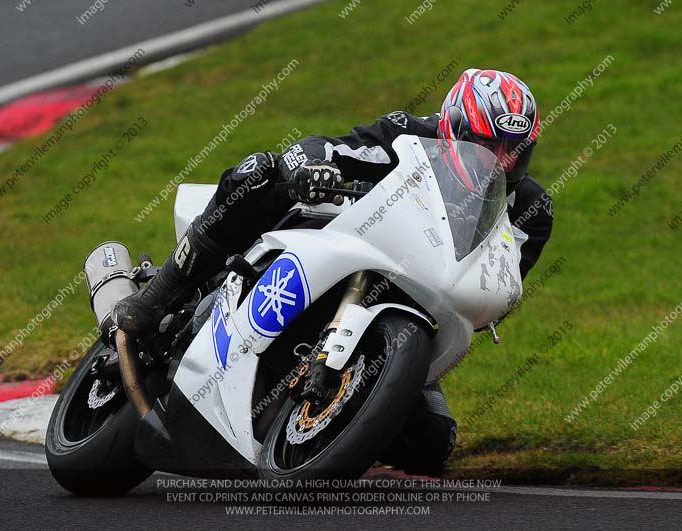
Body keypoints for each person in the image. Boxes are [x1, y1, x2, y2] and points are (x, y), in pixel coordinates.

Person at [113, 68, 553, 472]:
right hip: (339, 243)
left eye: (514, 150)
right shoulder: (407, 135)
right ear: (452, 126)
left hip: (412, 310)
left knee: (432, 446)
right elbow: (330, 146)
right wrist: (310, 166)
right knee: (260, 174)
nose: (500, 160)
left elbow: (501, 283)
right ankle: (157, 296)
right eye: (487, 145)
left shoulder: (531, 209)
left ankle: (331, 431)